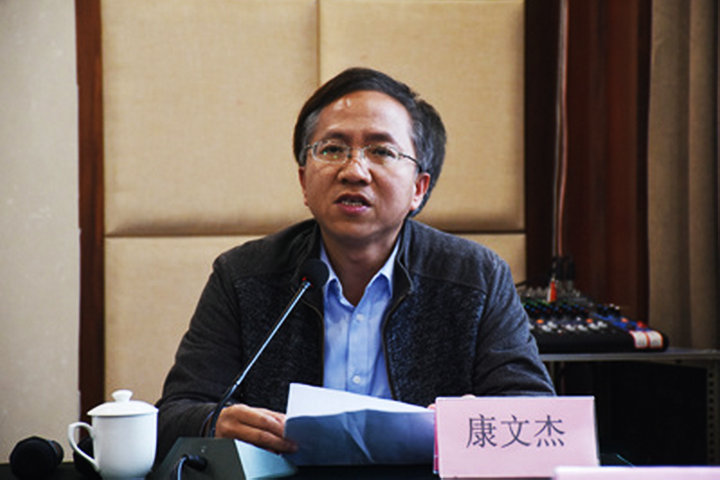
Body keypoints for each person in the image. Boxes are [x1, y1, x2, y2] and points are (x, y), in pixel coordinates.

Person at [155, 67, 555, 462]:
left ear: (418, 188)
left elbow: (535, 413)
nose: (354, 171)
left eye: (381, 151)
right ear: (304, 181)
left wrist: (475, 419)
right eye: (332, 149)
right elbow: (173, 415)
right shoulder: (242, 276)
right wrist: (214, 423)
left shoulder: (477, 277)